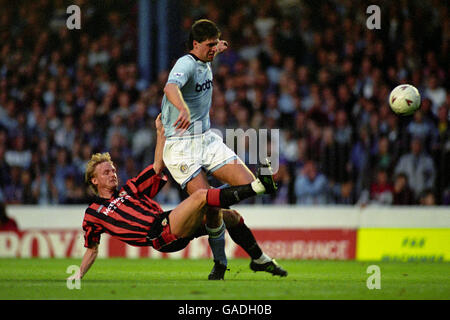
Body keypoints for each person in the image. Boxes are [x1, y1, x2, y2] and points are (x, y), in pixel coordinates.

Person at [68, 115, 280, 281]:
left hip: (170, 221)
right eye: (106, 172)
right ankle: (258, 186)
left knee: (230, 216)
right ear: (94, 181)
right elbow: (92, 249)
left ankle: (259, 259)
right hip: (158, 234)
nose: (112, 174)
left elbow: (157, 168)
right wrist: (78, 274)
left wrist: (160, 133)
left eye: (113, 170)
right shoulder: (93, 213)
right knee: (201, 197)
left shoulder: (129, 190)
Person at [160, 19, 287, 279]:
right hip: (181, 146)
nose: (212, 49)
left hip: (205, 139)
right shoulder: (186, 63)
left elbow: (214, 49)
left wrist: (219, 47)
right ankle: (220, 263)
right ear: (194, 44)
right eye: (208, 45)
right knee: (211, 204)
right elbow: (170, 87)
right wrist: (181, 107)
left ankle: (222, 206)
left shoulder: (208, 56)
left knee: (249, 184)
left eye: (214, 45)